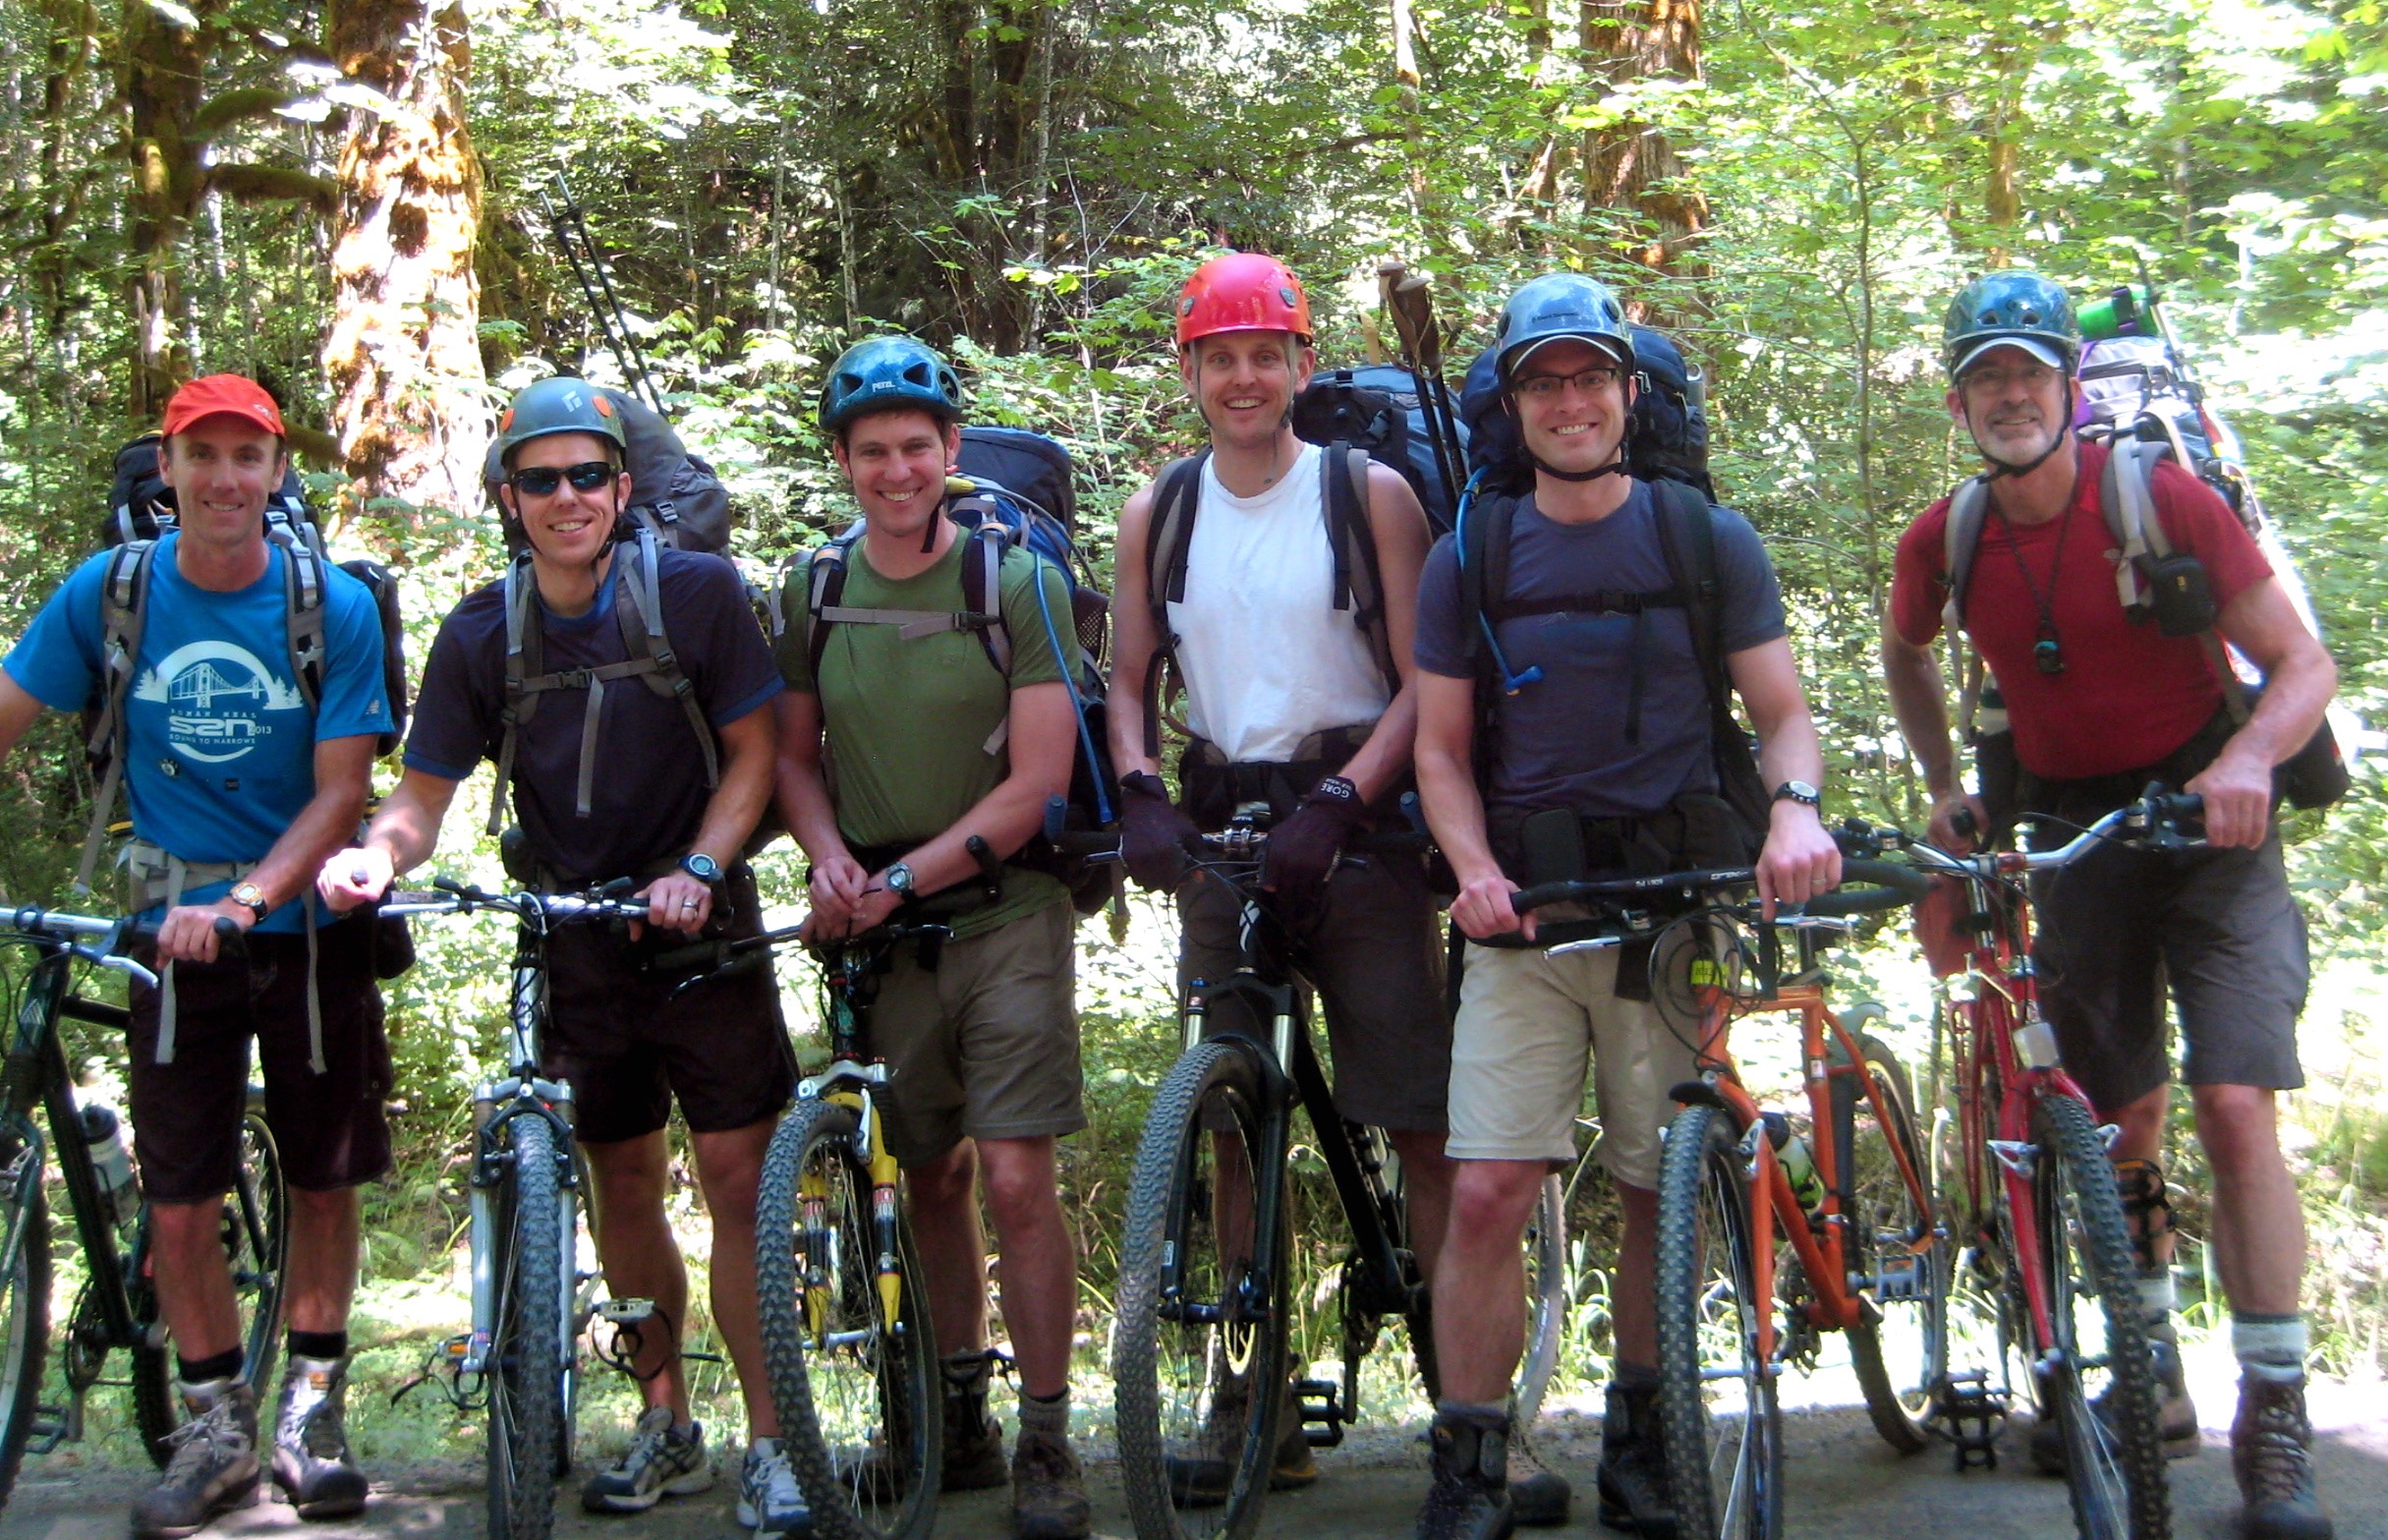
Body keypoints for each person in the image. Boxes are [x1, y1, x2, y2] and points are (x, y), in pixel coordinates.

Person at [1881, 271, 2337, 1540]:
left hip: (2210, 819)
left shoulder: (2161, 498)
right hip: (2070, 832)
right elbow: (1903, 650)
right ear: (1959, 399)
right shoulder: (1947, 537)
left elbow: (2302, 663)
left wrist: (2245, 762)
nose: (2008, 395)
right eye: (1985, 377)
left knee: (2233, 1100)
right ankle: (2146, 1368)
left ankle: (2277, 1412)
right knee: (2116, 1117)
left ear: (2067, 389)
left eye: (2028, 372)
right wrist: (1939, 789)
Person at [314, 377, 802, 1538]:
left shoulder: (699, 593)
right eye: (542, 479)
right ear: (509, 497)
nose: (568, 496)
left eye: (589, 474)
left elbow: (756, 757)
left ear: (624, 487)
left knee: (740, 1179)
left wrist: (699, 865)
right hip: (576, 936)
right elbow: (422, 795)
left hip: (703, 929)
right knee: (620, 1181)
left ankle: (776, 1439)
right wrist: (376, 856)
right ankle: (666, 1416)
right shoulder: (484, 630)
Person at [1411, 274, 1842, 1540]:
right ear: (1512, 403)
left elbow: (1782, 716)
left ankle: (1645, 1440)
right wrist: (1471, 868)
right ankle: (1472, 1462)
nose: (1569, 401)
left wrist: (1796, 809)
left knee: (1659, 1187)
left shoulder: (1708, 539)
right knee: (1488, 1189)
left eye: (1590, 377)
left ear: (1629, 392)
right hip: (1529, 921)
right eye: (1542, 381)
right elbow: (1440, 750)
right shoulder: (1470, 555)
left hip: (1672, 915)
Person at [1104, 252, 1475, 1511]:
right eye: (1222, 356)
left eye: (1267, 353)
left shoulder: (1363, 496)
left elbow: (1429, 672)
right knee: (1228, 1114)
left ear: (1302, 367)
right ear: (1192, 373)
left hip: (1354, 836)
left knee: (1415, 1113)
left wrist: (1344, 796)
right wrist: (1139, 788)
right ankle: (1247, 1389)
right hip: (1222, 834)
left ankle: (1471, 1406)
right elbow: (1126, 676)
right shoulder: (1162, 510)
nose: (1245, 375)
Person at [0, 375, 390, 1536]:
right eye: (202, 455)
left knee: (324, 1174)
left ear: (277, 474)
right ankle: (218, 1426)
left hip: (309, 927)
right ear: (167, 471)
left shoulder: (332, 606)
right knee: (179, 1197)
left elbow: (343, 793)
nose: (226, 479)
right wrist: (201, 912)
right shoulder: (110, 595)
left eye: (248, 457)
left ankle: (311, 1412)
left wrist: (249, 899)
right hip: (169, 936)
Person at [771, 335, 1090, 1540]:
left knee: (1014, 1172)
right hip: (883, 935)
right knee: (934, 1173)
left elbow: (1037, 787)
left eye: (917, 447)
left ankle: (1049, 1433)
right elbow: (794, 761)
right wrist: (828, 859)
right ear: (844, 464)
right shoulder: (809, 589)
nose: (896, 470)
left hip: (1004, 912)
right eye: (872, 452)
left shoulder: (1014, 584)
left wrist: (893, 878)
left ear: (952, 454)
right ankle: (962, 1409)